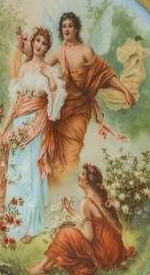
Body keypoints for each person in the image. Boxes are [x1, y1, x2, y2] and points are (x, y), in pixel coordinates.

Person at [0, 27, 66, 242]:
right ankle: (15, 223)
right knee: (16, 170)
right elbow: (16, 102)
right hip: (20, 123)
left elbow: (55, 98)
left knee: (32, 170)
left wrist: (49, 77)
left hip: (37, 124)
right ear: (32, 43)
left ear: (47, 47)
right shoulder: (23, 68)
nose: (39, 45)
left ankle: (32, 226)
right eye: (37, 41)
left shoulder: (48, 69)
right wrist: (5, 127)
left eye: (43, 43)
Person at [45, 12, 135, 183]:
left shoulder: (86, 50)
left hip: (80, 109)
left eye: (70, 25)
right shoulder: (59, 52)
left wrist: (125, 91)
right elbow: (41, 68)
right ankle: (56, 184)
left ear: (76, 29)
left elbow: (104, 75)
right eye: (64, 26)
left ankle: (68, 179)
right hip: (62, 109)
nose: (67, 29)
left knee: (73, 147)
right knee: (55, 150)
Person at [28, 163, 135, 275]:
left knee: (65, 233)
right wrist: (71, 211)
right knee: (69, 231)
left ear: (88, 181)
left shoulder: (86, 203)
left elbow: (89, 236)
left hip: (104, 252)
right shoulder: (99, 195)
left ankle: (42, 267)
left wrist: (77, 227)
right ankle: (47, 266)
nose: (79, 175)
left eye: (83, 174)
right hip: (114, 247)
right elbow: (93, 221)